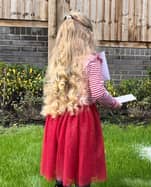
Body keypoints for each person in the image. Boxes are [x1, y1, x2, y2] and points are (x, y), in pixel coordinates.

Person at [40, 12, 121, 187]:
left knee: (63, 158)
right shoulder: (92, 61)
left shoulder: (60, 59)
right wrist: (114, 103)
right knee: (82, 159)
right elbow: (98, 93)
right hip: (81, 119)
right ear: (87, 34)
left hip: (59, 116)